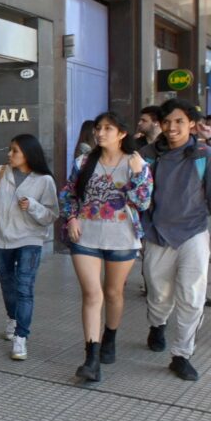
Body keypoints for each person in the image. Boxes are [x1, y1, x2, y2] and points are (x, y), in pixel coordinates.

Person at [60, 112, 152, 382]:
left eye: (108, 128)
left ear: (122, 133)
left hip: (122, 238)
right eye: (98, 128)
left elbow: (143, 202)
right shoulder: (84, 161)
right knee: (91, 294)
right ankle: (91, 358)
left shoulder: (136, 162)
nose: (100, 133)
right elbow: (69, 193)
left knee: (112, 293)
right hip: (85, 236)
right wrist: (72, 217)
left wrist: (136, 176)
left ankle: (109, 335)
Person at [139, 98, 211, 381]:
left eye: (179, 121)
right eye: (166, 121)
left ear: (192, 124)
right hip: (157, 234)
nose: (172, 127)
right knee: (158, 293)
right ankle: (157, 325)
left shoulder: (204, 155)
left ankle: (182, 355)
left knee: (192, 297)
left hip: (193, 233)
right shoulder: (147, 155)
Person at [0, 134, 58, 361]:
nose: (9, 154)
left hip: (29, 240)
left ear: (28, 154)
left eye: (15, 151)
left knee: (24, 287)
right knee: (8, 285)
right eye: (10, 150)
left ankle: (21, 336)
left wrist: (33, 207)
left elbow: (51, 215)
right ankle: (13, 318)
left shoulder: (44, 180)